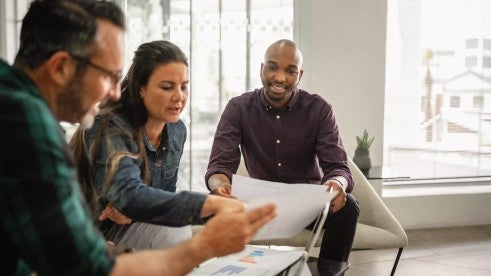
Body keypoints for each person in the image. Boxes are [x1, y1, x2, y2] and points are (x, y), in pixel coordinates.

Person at [0, 1, 276, 275]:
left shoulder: (16, 103)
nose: (114, 93)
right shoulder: (25, 120)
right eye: (108, 76)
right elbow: (86, 266)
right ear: (60, 68)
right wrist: (206, 242)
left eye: (183, 86)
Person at [69, 40, 238, 250]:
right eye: (167, 87)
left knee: (178, 227)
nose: (179, 97)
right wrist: (137, 205)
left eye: (184, 86)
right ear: (140, 88)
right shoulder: (108, 126)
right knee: (174, 231)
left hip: (129, 229)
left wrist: (140, 209)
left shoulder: (176, 130)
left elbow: (160, 198)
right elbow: (129, 196)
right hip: (88, 234)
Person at [206, 39, 359, 267]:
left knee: (348, 207)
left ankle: (328, 273)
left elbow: (338, 167)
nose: (279, 77)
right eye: (272, 67)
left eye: (290, 71)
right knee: (209, 207)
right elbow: (219, 165)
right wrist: (220, 186)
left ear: (300, 75)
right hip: (257, 205)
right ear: (262, 70)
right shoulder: (238, 108)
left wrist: (337, 184)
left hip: (307, 206)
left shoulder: (319, 110)